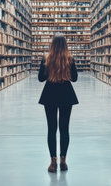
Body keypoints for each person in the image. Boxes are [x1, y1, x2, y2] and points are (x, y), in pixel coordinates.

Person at [38, 34, 78, 173]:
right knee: (64, 129)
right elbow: (74, 79)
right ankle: (63, 161)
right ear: (65, 44)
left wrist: (48, 70)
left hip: (50, 94)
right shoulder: (70, 59)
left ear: (52, 44)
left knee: (51, 129)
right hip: (66, 94)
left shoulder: (46, 58)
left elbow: (40, 79)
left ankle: (53, 162)